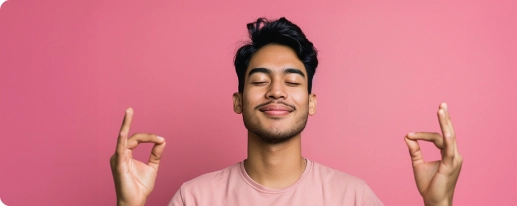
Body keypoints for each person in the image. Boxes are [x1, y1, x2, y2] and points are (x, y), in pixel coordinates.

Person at [110, 17, 463, 206]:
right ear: (237, 100)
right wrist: (128, 205)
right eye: (260, 80)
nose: (276, 91)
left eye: (293, 82)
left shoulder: (352, 198)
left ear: (311, 102)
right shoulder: (196, 199)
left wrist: (439, 204)